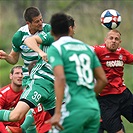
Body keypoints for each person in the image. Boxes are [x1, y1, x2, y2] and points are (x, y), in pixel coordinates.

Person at [46, 13, 107, 133]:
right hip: (93, 109)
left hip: (73, 108)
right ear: (69, 29)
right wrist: (88, 99)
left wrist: (57, 113)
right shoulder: (86, 48)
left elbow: (60, 78)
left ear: (52, 31)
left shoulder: (56, 48)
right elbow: (103, 80)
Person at [0, 6, 51, 87]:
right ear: (28, 23)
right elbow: (14, 59)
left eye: (41, 19)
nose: (41, 23)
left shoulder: (48, 29)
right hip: (29, 75)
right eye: (37, 21)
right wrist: (6, 56)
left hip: (46, 73)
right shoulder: (19, 36)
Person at [93, 29, 133, 133]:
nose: (113, 41)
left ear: (120, 42)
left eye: (116, 39)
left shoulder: (122, 53)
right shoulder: (98, 51)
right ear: (105, 40)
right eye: (111, 38)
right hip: (106, 99)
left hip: (123, 94)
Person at [0, 65, 24, 133]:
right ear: (11, 76)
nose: (20, 76)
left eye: (22, 73)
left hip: (19, 129)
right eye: (17, 73)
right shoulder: (3, 93)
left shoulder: (27, 93)